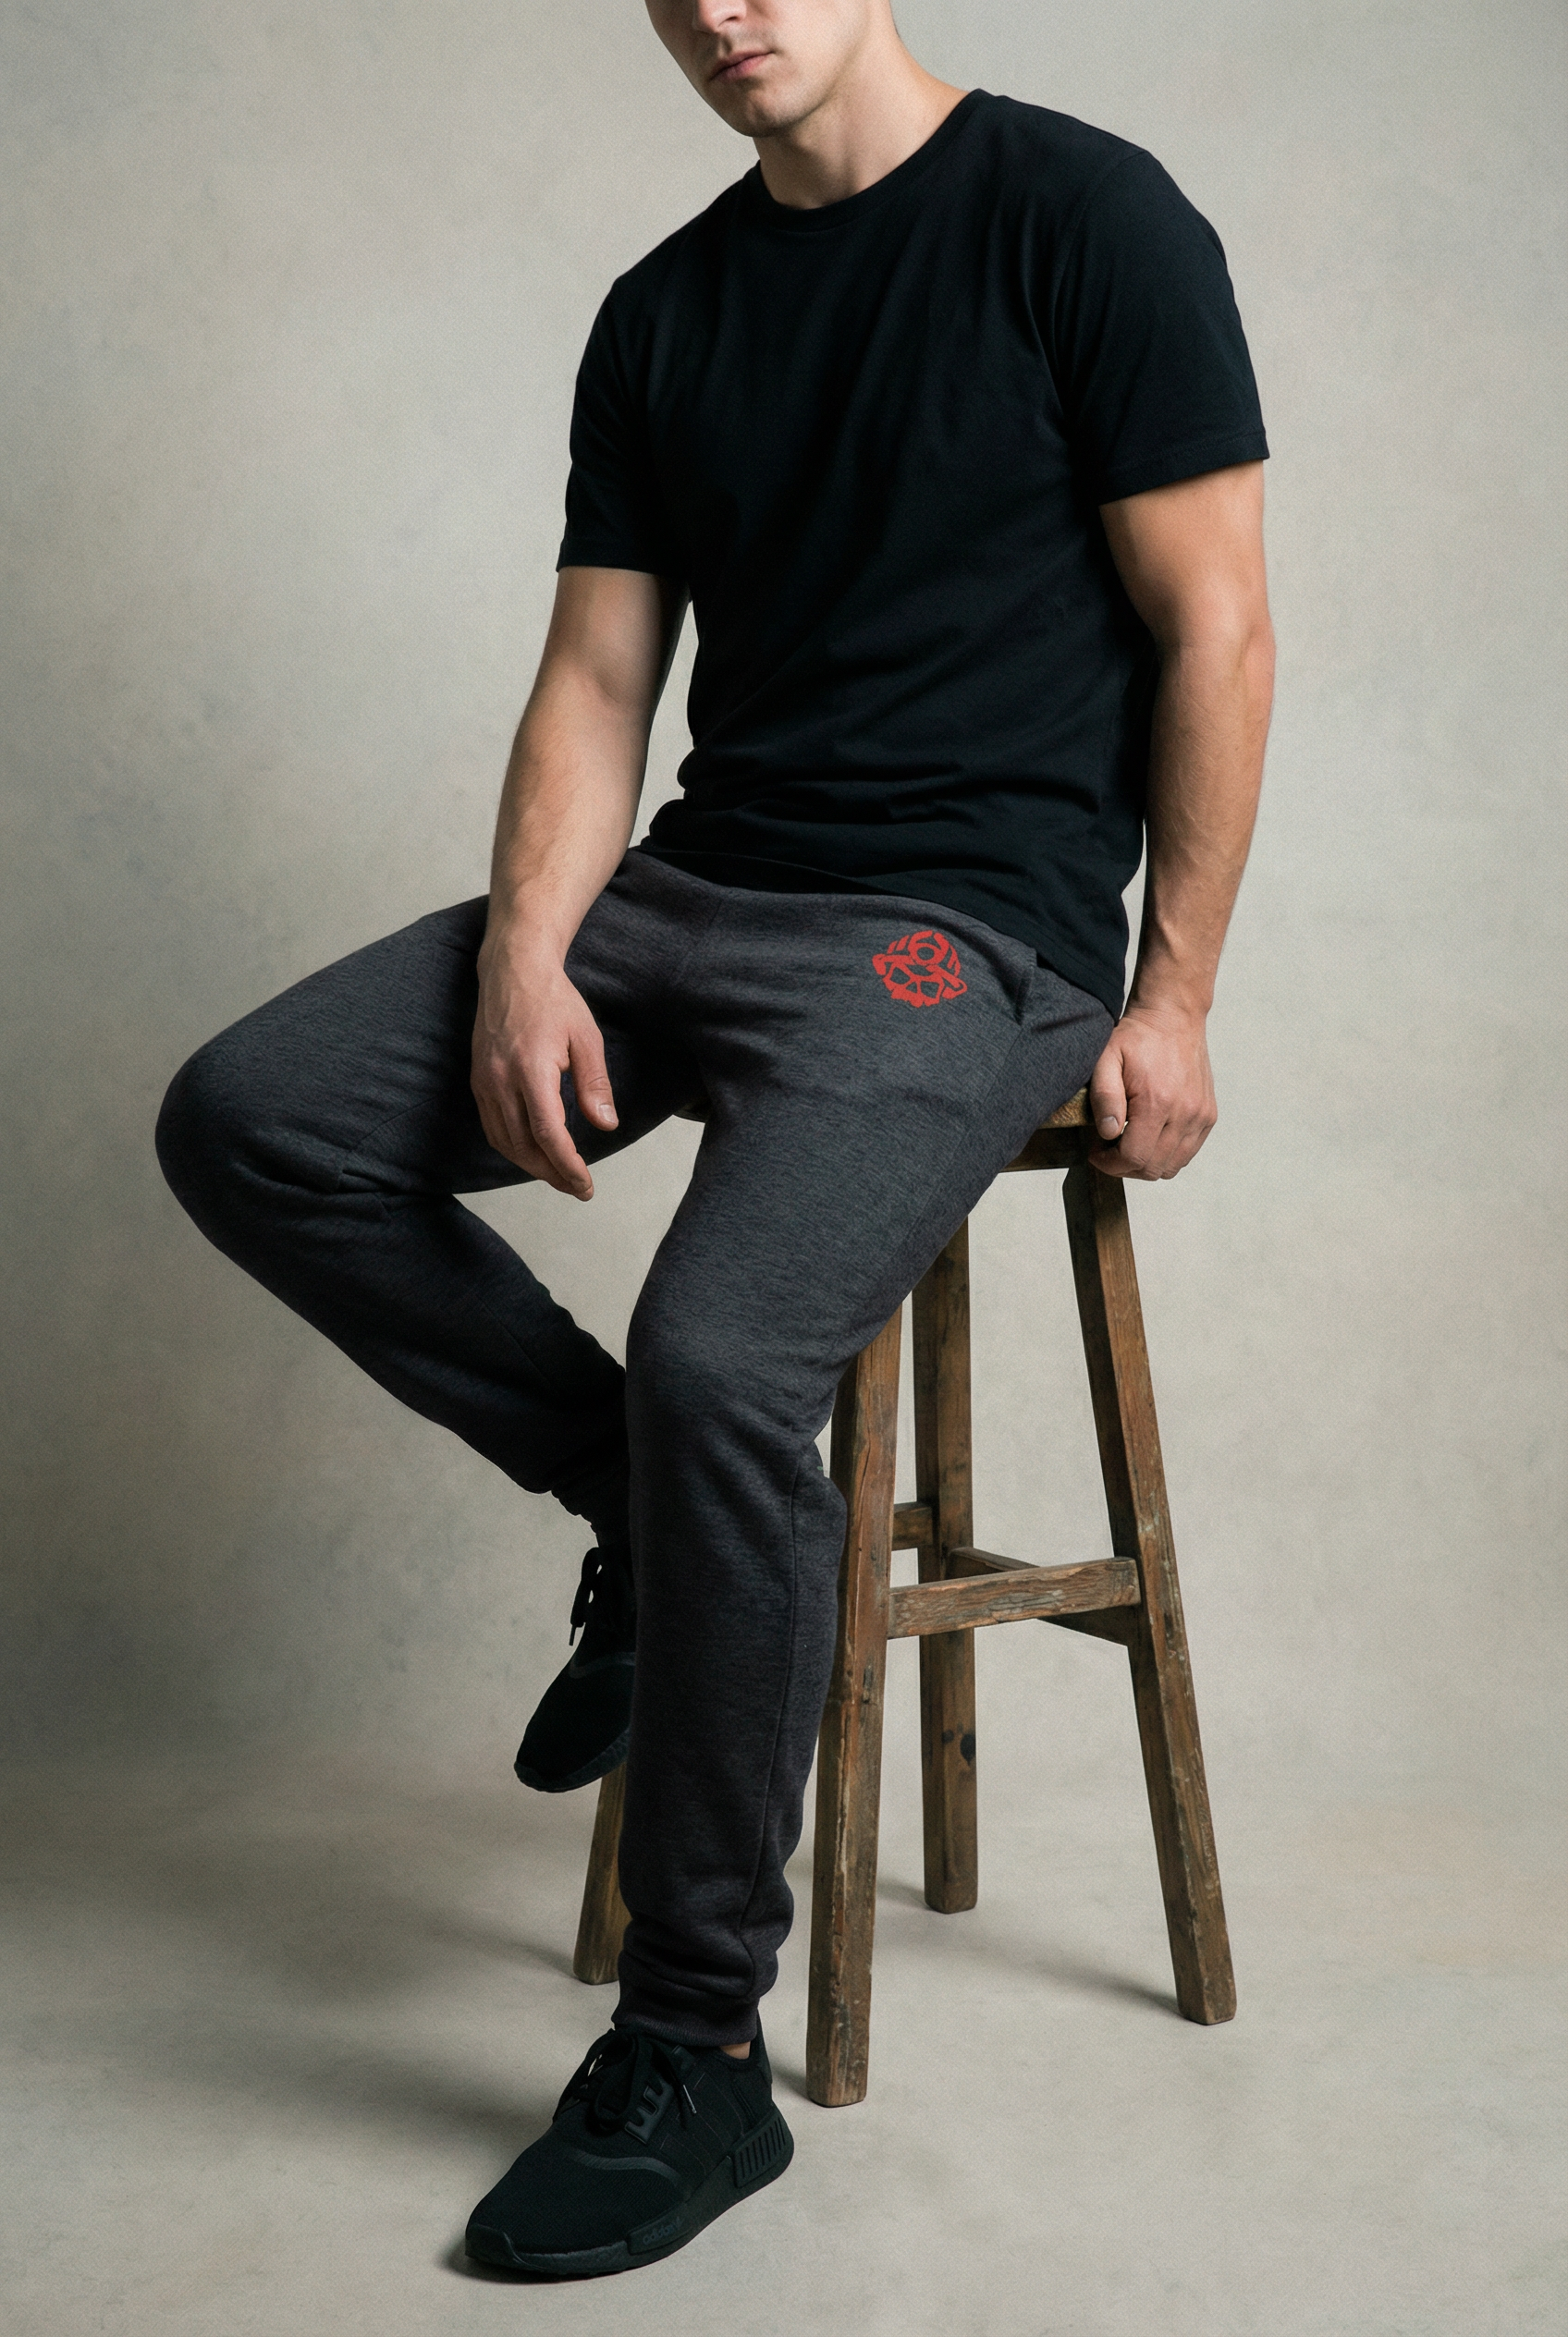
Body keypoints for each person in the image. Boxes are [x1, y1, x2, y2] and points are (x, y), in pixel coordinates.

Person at [156, 0, 1274, 2280]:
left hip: (955, 932)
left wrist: (1169, 997)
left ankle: (692, 2048)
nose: (721, 12)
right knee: (252, 1117)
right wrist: (525, 958)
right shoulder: (664, 309)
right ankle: (645, 1519)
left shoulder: (1082, 218)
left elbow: (1218, 625)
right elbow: (597, 676)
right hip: (694, 891)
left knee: (722, 1355)